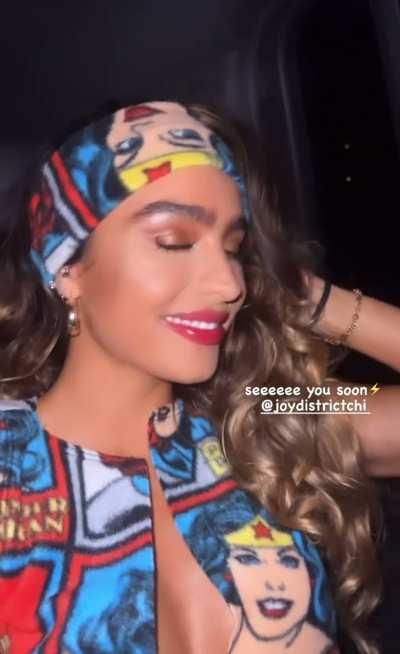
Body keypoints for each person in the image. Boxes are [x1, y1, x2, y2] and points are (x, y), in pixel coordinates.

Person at [0, 99, 399, 654]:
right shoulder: (10, 463)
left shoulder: (263, 418)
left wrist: (311, 298)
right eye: (175, 242)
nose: (228, 284)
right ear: (66, 268)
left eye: (233, 249)